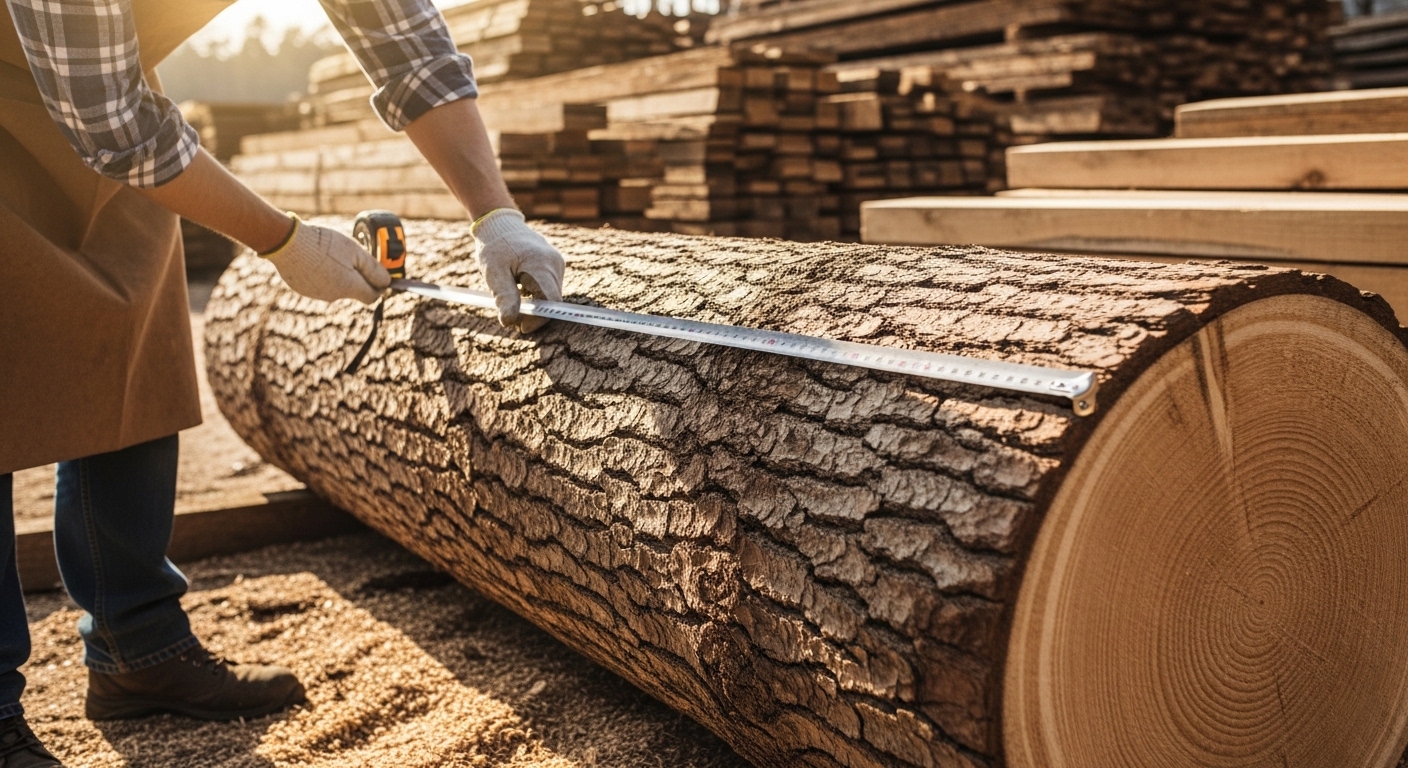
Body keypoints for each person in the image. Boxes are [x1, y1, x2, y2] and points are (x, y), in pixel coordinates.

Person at [0, 0, 566, 762]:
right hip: (91, 100)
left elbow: (406, 44)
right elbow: (114, 126)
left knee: (133, 348)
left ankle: (139, 646)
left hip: (102, 84)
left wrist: (495, 215)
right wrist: (283, 240)